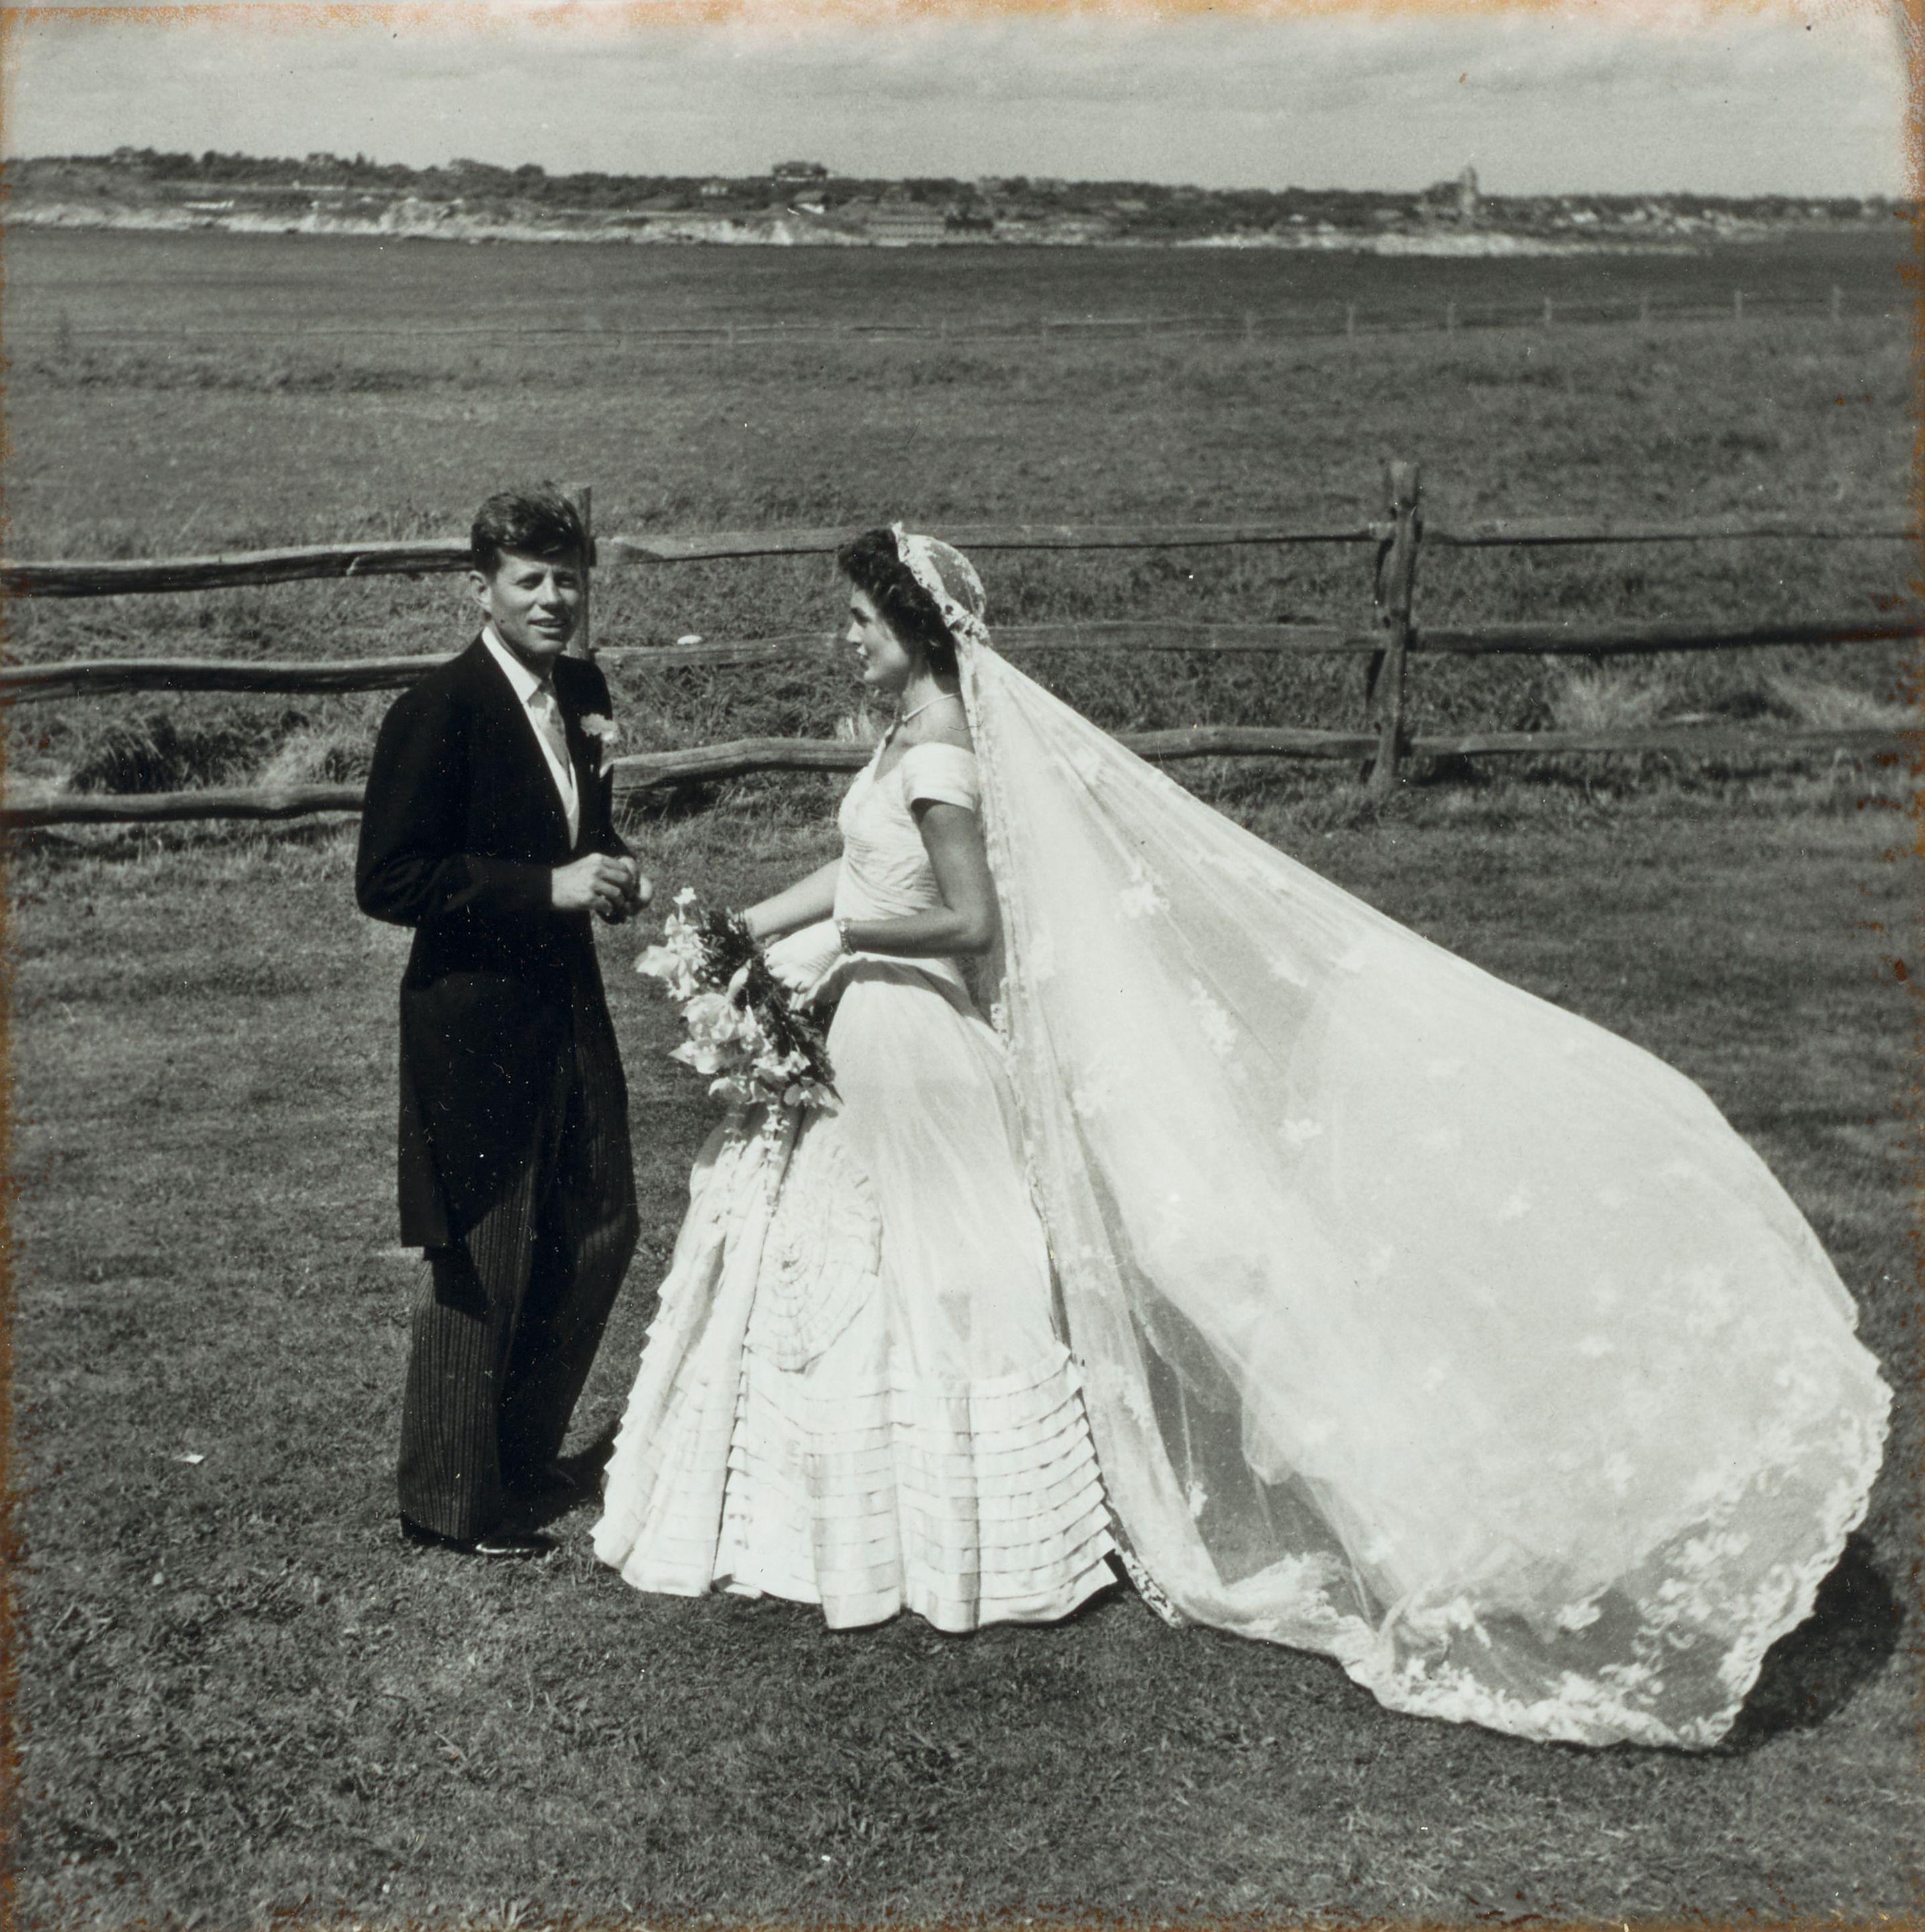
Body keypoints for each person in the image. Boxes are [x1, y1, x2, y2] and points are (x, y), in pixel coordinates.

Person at [595, 526, 1890, 1750]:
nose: (845, 641)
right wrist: (756, 929)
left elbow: (969, 921)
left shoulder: (940, 755)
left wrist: (852, 945)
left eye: (862, 622)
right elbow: (860, 869)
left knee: (934, 1250)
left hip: (910, 1023)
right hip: (867, 1012)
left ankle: (957, 1528)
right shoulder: (900, 740)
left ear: (920, 635)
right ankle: (862, 1513)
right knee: (866, 1244)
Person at [358, 484, 649, 1559]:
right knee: (486, 1244)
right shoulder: (440, 708)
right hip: (472, 1015)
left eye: (568, 578)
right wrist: (546, 888)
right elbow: (388, 880)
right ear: (481, 587)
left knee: (601, 1222)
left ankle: (520, 1451)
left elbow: (582, 828)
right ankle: (449, 1500)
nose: (553, 599)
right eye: (529, 580)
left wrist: (609, 872)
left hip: (567, 998)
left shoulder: (583, 687)